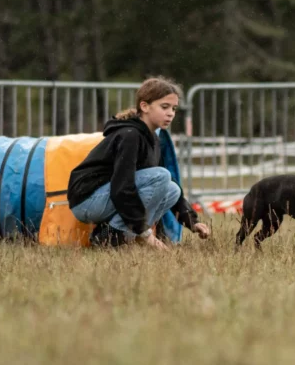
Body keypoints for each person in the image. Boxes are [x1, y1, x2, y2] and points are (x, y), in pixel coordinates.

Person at [67, 76, 210, 250]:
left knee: (172, 189)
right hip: (87, 201)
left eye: (174, 108)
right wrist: (146, 234)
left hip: (109, 197)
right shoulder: (130, 136)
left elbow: (165, 182)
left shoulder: (153, 138)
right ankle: (113, 238)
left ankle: (117, 237)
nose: (171, 113)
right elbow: (122, 187)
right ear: (144, 106)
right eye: (164, 107)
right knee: (161, 176)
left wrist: (192, 221)